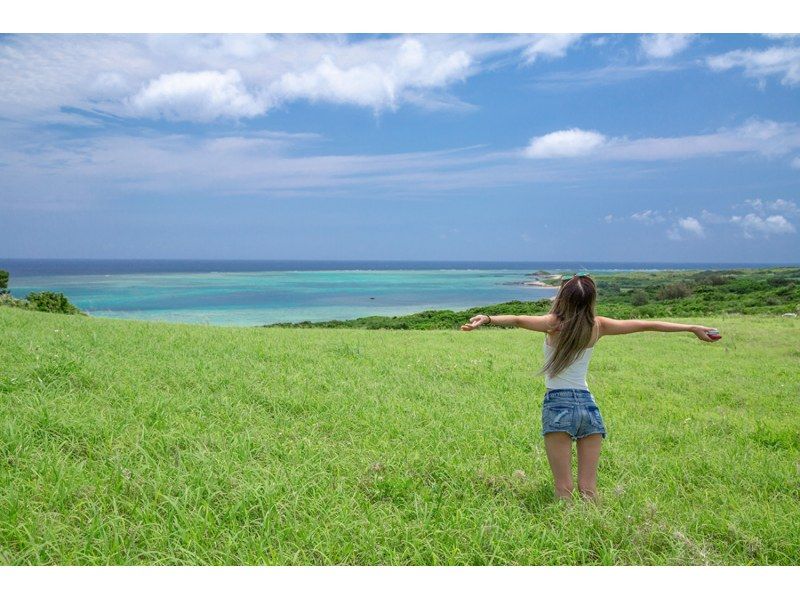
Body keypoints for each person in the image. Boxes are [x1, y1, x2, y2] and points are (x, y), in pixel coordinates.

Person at [460, 273, 721, 502]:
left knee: (564, 489)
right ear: (591, 300)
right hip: (589, 407)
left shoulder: (553, 324)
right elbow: (647, 324)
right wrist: (691, 327)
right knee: (589, 490)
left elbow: (517, 319)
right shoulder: (599, 325)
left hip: (558, 404)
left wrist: (487, 318)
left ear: (563, 298)